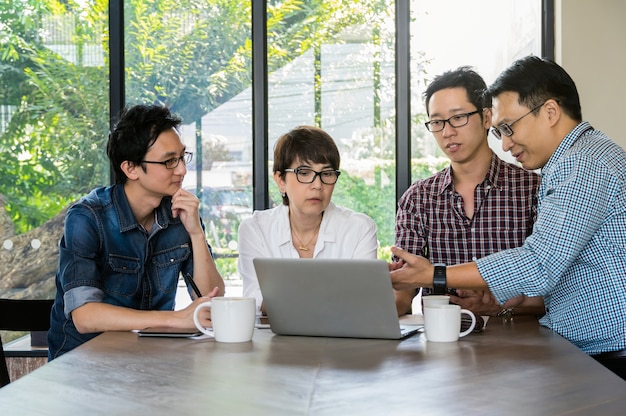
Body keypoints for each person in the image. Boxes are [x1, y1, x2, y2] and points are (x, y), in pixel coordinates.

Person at [390, 55, 626, 380]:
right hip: (587, 351)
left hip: (610, 353)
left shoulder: (583, 164)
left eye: (508, 127)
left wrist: (436, 275)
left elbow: (539, 265)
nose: (505, 141)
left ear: (551, 112)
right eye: (436, 122)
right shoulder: (576, 161)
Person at [48, 104, 225, 359]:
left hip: (151, 359)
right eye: (168, 161)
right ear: (130, 168)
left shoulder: (181, 214)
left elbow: (211, 299)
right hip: (83, 364)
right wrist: (175, 319)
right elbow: (85, 316)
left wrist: (197, 234)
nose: (182, 170)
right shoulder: (88, 218)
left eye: (182, 157)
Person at [394, 66, 544, 318]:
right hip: (441, 342)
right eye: (437, 122)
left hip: (519, 345)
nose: (447, 131)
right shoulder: (417, 198)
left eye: (458, 117)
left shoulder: (531, 189)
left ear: (487, 118)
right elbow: (403, 292)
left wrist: (500, 304)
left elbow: (553, 289)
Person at [238, 126, 378, 314]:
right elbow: (255, 299)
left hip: (342, 339)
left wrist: (287, 299)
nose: (318, 185)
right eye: (304, 173)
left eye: (327, 174)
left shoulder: (359, 229)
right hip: (274, 339)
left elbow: (364, 301)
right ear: (280, 180)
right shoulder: (255, 229)